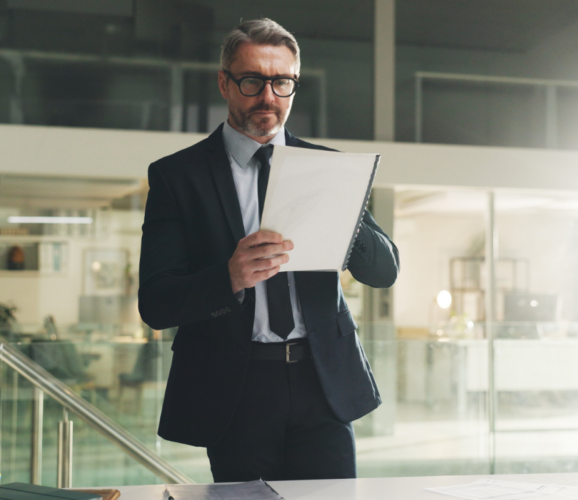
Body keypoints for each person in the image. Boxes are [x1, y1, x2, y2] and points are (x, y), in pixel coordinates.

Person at [138, 18, 399, 482]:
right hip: (235, 389)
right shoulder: (178, 177)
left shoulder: (329, 169)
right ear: (225, 82)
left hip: (323, 382)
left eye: (282, 82)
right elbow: (156, 302)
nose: (269, 97)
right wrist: (230, 276)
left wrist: (342, 208)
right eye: (253, 80)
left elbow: (385, 271)